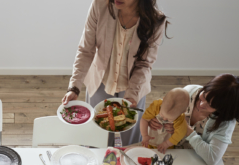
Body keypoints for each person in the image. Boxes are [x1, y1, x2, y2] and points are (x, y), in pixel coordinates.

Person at [63, 0, 169, 147]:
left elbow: (144, 64)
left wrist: (132, 95)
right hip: (101, 81)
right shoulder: (100, 5)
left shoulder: (155, 20)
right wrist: (74, 87)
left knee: (131, 142)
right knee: (97, 139)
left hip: (134, 87)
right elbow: (86, 50)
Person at [149, 74, 239, 165]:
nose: (202, 104)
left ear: (222, 109)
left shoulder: (225, 121)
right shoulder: (188, 92)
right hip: (164, 150)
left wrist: (187, 131)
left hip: (192, 161)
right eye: (203, 97)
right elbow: (163, 108)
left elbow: (212, 159)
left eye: (211, 105)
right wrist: (154, 118)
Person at [140, 87, 190, 153]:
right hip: (150, 139)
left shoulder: (180, 119)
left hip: (167, 144)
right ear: (163, 100)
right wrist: (145, 135)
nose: (164, 119)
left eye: (169, 119)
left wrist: (167, 144)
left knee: (165, 155)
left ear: (183, 111)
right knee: (146, 152)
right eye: (162, 114)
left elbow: (180, 134)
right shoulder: (155, 106)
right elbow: (144, 119)